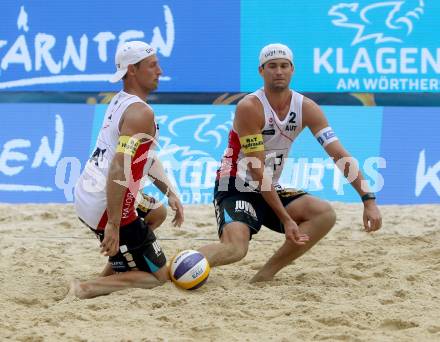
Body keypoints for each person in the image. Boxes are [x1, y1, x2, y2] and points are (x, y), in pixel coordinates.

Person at [199, 43, 382, 283]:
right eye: (272, 66)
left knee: (324, 214)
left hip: (269, 186)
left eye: (284, 66)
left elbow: (339, 154)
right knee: (235, 250)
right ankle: (183, 264)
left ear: (292, 70)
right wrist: (286, 219)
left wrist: (368, 200)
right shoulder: (250, 107)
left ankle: (264, 276)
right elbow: (256, 169)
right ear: (261, 71)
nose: (278, 71)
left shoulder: (306, 107)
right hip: (236, 184)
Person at [71, 41, 184, 299]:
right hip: (105, 201)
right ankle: (85, 289)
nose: (160, 71)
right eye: (153, 65)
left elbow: (145, 158)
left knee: (157, 212)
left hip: (89, 191)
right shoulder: (139, 112)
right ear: (132, 69)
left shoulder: (121, 101)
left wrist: (170, 192)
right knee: (158, 277)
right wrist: (113, 223)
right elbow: (118, 168)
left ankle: (112, 270)